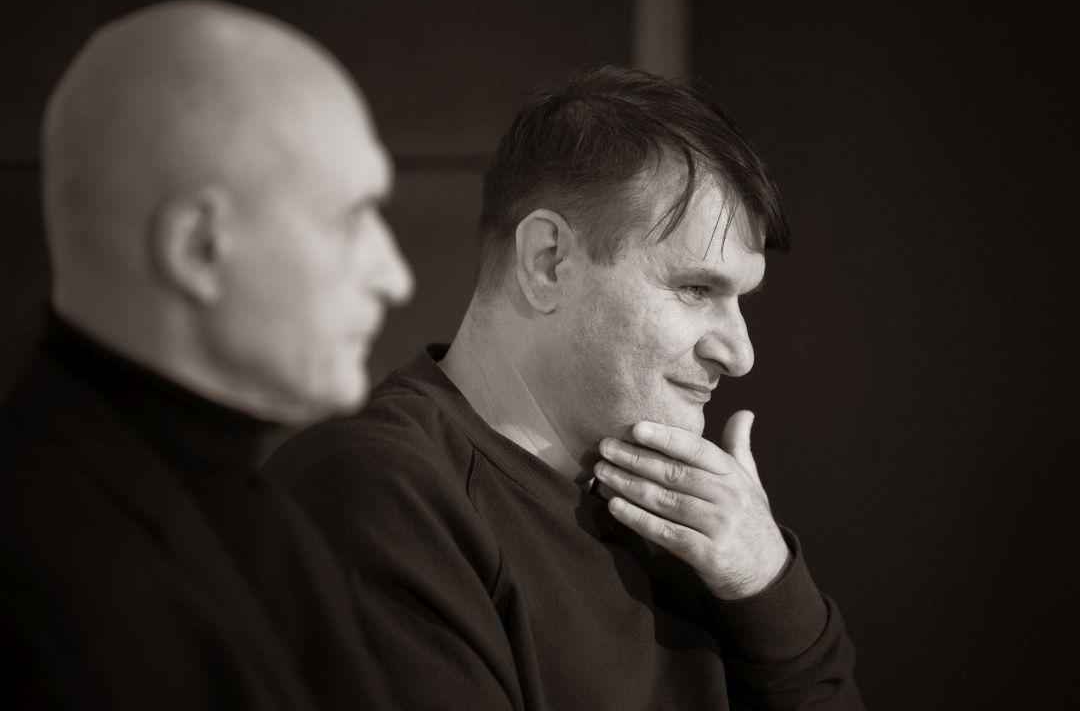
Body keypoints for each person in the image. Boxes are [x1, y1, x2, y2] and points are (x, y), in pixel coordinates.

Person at [265, 65, 864, 710]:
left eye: (740, 299)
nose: (740, 355)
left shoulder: (700, 530)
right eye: (696, 288)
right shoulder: (378, 496)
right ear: (548, 261)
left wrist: (768, 588)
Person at [0, 0, 412, 709]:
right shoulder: (49, 582)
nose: (395, 278)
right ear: (199, 249)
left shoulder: (250, 508)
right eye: (351, 218)